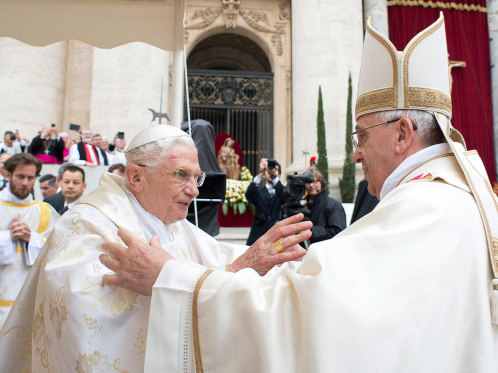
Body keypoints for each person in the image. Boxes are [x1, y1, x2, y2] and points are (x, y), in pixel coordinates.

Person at [95, 15, 498, 372]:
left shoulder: (426, 207)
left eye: (361, 136)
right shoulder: (450, 196)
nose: (354, 155)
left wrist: (173, 280)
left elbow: (308, 316)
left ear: (403, 132)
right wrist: (243, 265)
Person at [0, 124, 311, 372]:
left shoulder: (176, 225)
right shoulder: (87, 225)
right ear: (136, 176)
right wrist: (222, 278)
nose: (194, 189)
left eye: (197, 176)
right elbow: (86, 325)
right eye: (181, 175)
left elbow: (220, 259)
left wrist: (258, 261)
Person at [0, 153, 59, 327]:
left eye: (30, 178)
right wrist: (6, 237)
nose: (25, 182)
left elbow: (60, 250)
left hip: (30, 300)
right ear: (7, 174)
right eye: (20, 177)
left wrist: (31, 239)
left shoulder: (44, 211)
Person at [245, 158, 285, 245]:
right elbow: (248, 194)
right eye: (268, 171)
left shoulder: (282, 191)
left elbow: (285, 197)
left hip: (276, 236)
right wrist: (261, 171)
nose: (271, 172)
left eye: (276, 170)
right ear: (264, 175)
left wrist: (274, 176)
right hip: (258, 235)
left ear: (279, 174)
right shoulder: (258, 191)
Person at [303, 168, 346, 243]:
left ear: (322, 183)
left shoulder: (333, 205)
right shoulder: (303, 205)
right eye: (308, 182)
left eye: (315, 182)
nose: (311, 185)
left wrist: (310, 231)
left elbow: (338, 232)